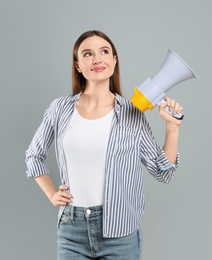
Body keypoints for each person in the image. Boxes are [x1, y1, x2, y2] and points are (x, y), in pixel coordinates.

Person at [25, 30, 183, 260]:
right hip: (72, 231)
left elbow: (162, 171)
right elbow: (34, 155)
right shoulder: (59, 109)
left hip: (121, 234)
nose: (97, 59)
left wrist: (172, 127)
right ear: (78, 65)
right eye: (87, 54)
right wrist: (51, 193)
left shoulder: (132, 114)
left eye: (104, 51)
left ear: (114, 60)